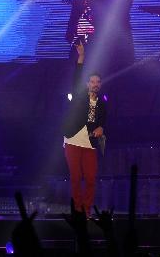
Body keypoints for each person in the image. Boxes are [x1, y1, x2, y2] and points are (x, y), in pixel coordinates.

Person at [62, 41, 107, 216]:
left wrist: (101, 127)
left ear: (100, 85)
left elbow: (103, 120)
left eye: (98, 82)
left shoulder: (102, 104)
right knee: (75, 178)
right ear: (87, 84)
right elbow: (77, 76)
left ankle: (86, 211)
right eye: (92, 81)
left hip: (89, 144)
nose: (95, 84)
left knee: (90, 178)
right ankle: (78, 210)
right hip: (73, 140)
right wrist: (81, 56)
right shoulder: (79, 96)